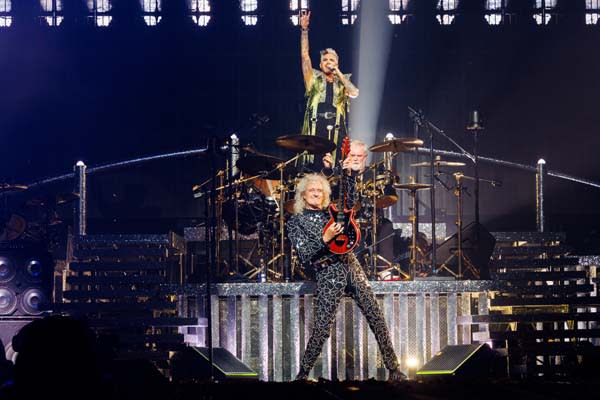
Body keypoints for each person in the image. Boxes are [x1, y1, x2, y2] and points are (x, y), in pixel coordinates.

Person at [286, 171, 404, 381]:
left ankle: (395, 370)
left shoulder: (332, 214)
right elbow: (304, 254)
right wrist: (325, 237)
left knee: (376, 317)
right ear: (303, 195)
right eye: (312, 190)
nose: (316, 193)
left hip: (351, 266)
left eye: (320, 190)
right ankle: (302, 374)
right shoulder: (296, 222)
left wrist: (350, 174)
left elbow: (349, 200)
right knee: (322, 326)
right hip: (328, 272)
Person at [299, 10, 359, 171]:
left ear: (337, 63)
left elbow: (354, 93)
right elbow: (305, 56)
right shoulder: (314, 78)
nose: (328, 62)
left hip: (337, 129)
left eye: (331, 60)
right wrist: (304, 31)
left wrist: (338, 72)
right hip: (315, 128)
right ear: (320, 65)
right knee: (313, 167)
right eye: (324, 60)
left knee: (335, 169)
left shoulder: (343, 80)